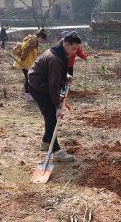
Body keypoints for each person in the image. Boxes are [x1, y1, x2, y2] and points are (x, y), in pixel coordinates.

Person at [28, 31, 82, 162]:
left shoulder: (60, 50)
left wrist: (65, 76)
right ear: (65, 43)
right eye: (73, 48)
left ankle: (46, 141)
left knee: (49, 115)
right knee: (52, 116)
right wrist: (58, 106)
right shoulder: (55, 59)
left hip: (41, 82)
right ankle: (56, 151)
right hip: (38, 87)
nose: (75, 52)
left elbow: (56, 74)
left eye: (77, 49)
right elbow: (53, 86)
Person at [13, 28, 47, 100]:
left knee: (28, 77)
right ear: (40, 37)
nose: (41, 41)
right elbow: (26, 51)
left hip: (27, 62)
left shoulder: (29, 38)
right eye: (42, 40)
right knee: (29, 78)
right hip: (26, 62)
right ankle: (27, 95)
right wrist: (22, 59)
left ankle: (24, 91)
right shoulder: (33, 41)